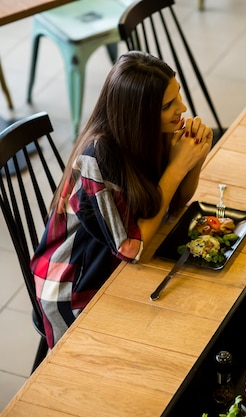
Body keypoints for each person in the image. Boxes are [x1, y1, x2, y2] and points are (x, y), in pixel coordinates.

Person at [30, 51, 212, 348]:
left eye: (177, 95)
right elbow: (132, 250)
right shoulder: (98, 156)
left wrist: (195, 159)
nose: (182, 108)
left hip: (113, 256)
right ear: (138, 113)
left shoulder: (151, 130)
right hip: (73, 284)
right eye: (168, 105)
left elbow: (174, 204)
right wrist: (178, 168)